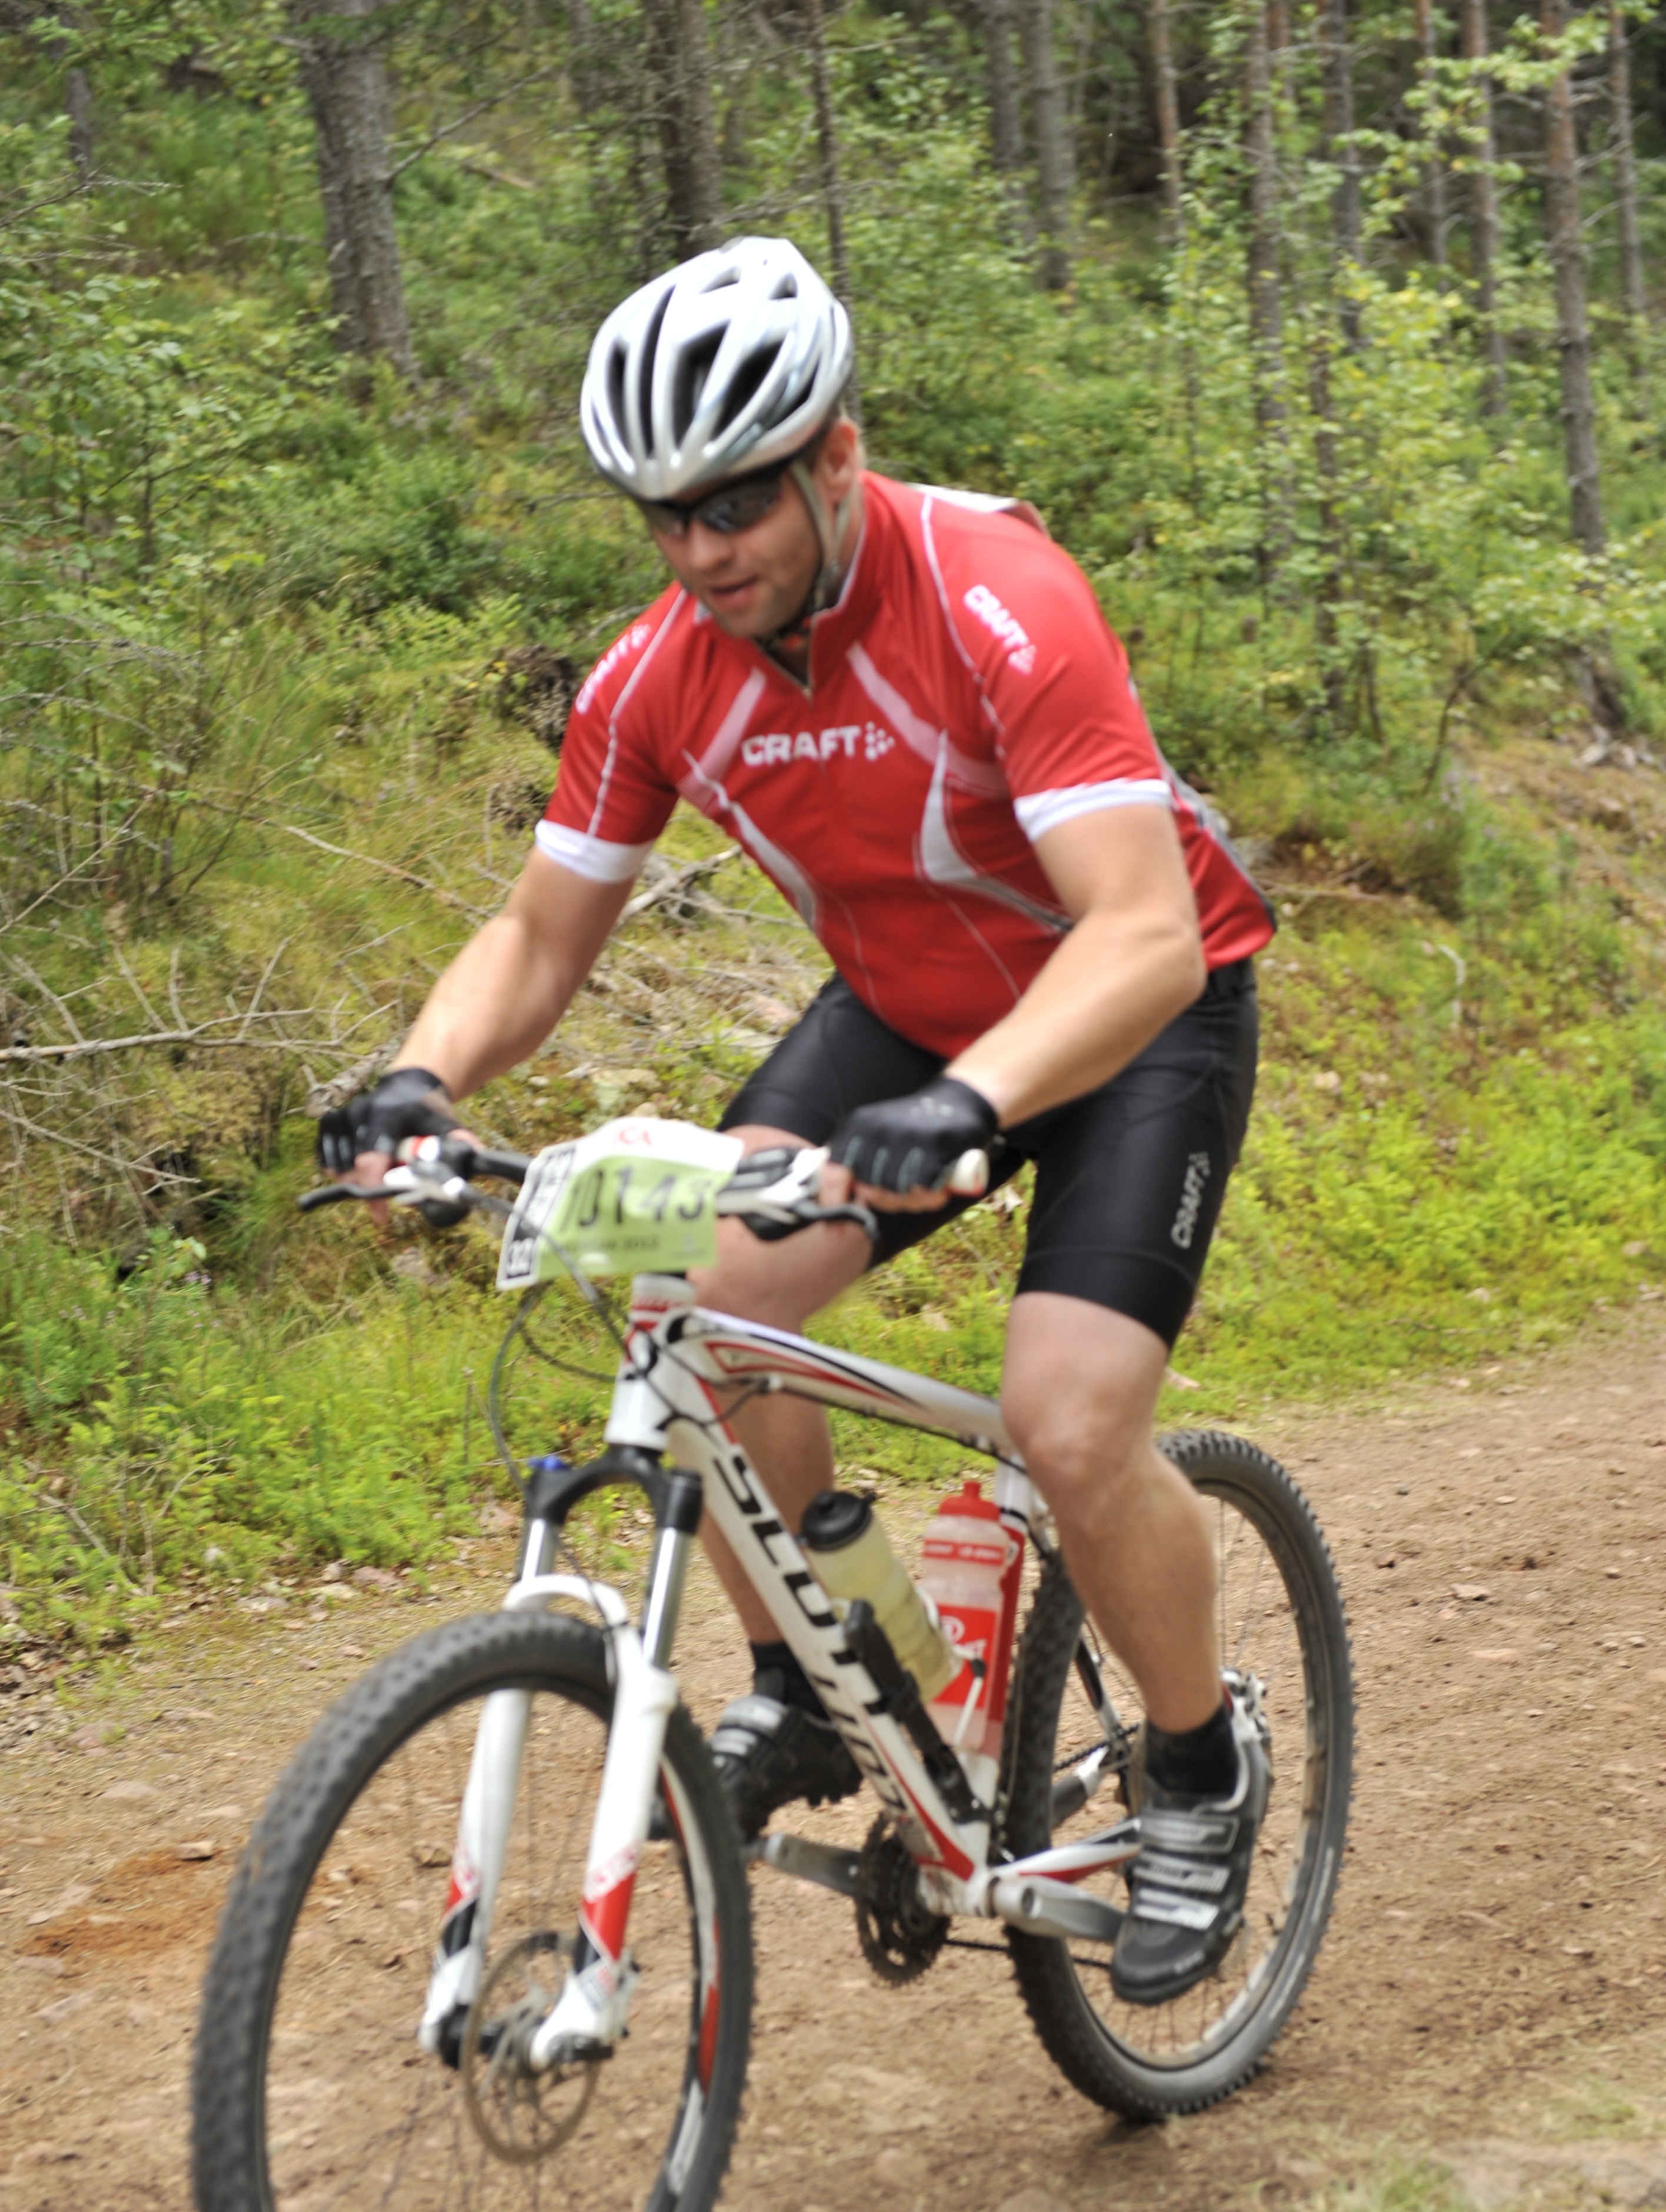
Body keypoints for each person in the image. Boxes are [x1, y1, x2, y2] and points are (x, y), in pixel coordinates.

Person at [318, 236, 1276, 2007]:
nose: (701, 551)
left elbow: (1141, 930)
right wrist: (420, 1078)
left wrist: (976, 1098)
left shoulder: (995, 595)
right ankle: (816, 1682)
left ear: (837, 454)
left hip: (1141, 1012)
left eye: (737, 501)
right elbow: (539, 934)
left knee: (1069, 1424)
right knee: (704, 1300)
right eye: (665, 517)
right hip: (909, 1019)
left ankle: (1201, 1762)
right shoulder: (656, 674)